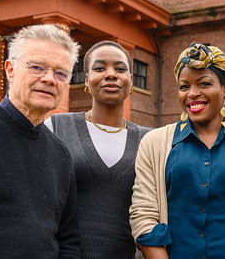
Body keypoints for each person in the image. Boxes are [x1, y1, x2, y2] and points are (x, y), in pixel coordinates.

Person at [130, 42, 225, 259]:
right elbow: (143, 216)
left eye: (204, 84)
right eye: (184, 86)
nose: (192, 93)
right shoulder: (153, 144)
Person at [0, 25, 81, 258]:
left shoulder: (61, 155)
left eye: (61, 73)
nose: (49, 79)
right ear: (10, 69)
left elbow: (68, 238)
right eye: (37, 67)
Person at [45, 40, 151, 259]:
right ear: (86, 80)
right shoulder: (56, 127)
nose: (111, 74)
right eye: (100, 68)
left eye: (120, 69)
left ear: (131, 81)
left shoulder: (150, 140)